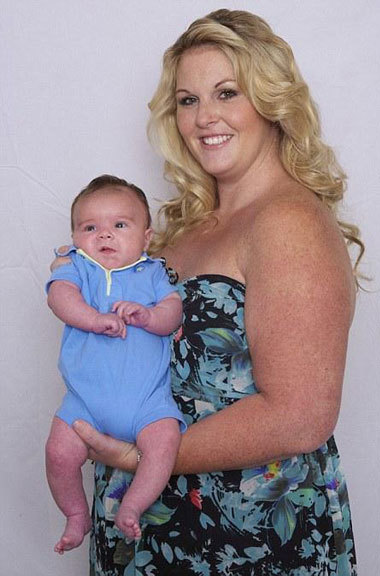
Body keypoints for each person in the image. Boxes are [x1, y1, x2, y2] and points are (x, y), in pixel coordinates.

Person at [53, 9, 363, 575]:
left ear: (270, 101)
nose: (203, 118)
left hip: (244, 538)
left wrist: (141, 457)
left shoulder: (287, 221)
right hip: (151, 529)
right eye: (188, 100)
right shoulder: (186, 226)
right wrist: (86, 273)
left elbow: (299, 416)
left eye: (226, 93)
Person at [45, 175, 185, 554]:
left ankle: (133, 506)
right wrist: (93, 319)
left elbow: (173, 312)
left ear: (146, 237)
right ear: (75, 237)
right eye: (90, 228)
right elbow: (59, 297)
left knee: (164, 442)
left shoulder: (152, 272)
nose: (104, 235)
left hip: (146, 403)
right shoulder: (77, 266)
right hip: (84, 403)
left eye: (120, 225)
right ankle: (76, 514)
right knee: (58, 453)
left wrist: (149, 316)